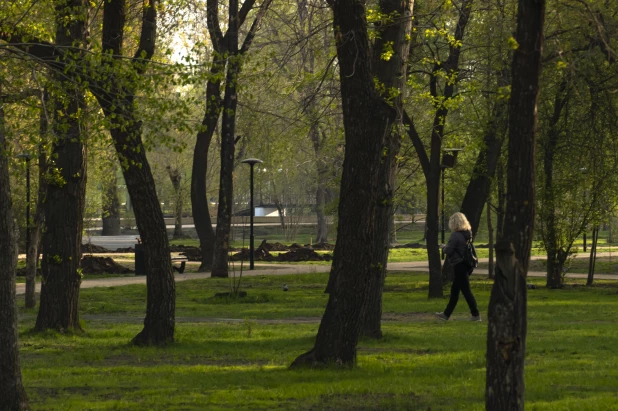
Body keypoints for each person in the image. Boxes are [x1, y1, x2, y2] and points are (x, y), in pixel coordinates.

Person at [435, 212, 481, 322]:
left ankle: (476, 315)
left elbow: (449, 251)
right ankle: (446, 314)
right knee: (455, 290)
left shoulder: (455, 235)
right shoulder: (468, 233)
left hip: (459, 265)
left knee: (465, 291)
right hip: (467, 264)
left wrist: (444, 247)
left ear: (454, 223)